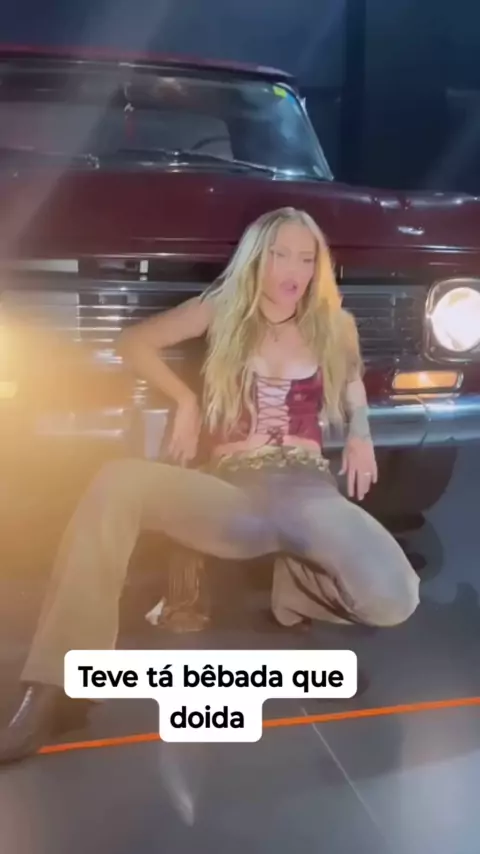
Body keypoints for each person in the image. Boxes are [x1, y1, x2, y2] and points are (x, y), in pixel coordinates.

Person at [0, 207, 420, 764]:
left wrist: (361, 432)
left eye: (306, 258)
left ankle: (296, 588)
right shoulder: (221, 308)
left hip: (308, 490)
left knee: (395, 598)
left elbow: (352, 384)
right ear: (256, 258)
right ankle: (54, 683)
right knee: (117, 481)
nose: (293, 271)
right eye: (279, 255)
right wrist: (185, 400)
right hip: (234, 493)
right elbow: (134, 342)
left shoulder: (332, 323)